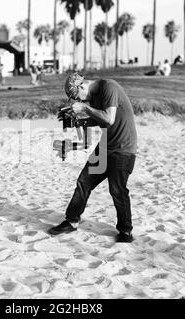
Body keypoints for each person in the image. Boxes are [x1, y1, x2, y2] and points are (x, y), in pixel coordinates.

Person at [49, 73, 138, 243]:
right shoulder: (94, 97)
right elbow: (101, 121)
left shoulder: (109, 87)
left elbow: (109, 119)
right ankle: (71, 221)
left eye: (77, 98)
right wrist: (78, 121)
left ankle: (125, 231)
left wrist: (85, 109)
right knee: (84, 182)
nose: (80, 102)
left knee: (117, 190)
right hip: (105, 147)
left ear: (82, 87)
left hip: (124, 149)